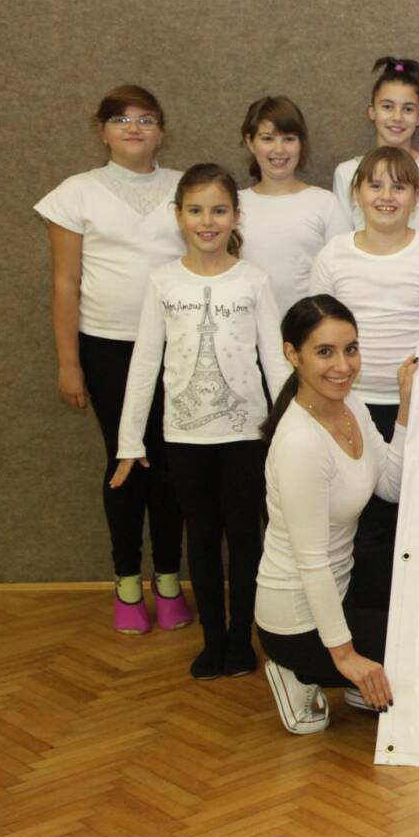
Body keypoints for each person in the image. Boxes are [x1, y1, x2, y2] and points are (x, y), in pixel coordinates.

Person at [112, 165, 288, 679]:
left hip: (246, 436)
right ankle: (213, 639)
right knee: (202, 539)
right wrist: (129, 441)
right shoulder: (163, 281)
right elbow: (145, 362)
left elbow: (275, 360)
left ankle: (241, 638)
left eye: (218, 210)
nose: (207, 221)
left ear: (235, 216)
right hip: (185, 438)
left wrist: (289, 427)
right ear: (178, 216)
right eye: (195, 210)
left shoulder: (253, 280)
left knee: (246, 539)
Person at [34, 84, 189, 634]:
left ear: (161, 131)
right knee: (126, 459)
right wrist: (68, 363)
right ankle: (126, 581)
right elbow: (64, 283)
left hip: (178, 347)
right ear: (101, 130)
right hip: (107, 347)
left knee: (169, 465)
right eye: (121, 119)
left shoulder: (184, 188)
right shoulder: (75, 193)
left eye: (146, 119)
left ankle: (167, 578)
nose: (134, 128)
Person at [310, 146, 419, 606]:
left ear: (416, 195)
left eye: (399, 186)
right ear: (356, 193)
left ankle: (411, 624)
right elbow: (316, 336)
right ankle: (363, 624)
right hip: (349, 408)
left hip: (417, 410)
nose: (386, 196)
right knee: (362, 524)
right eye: (375, 185)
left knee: (415, 522)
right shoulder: (334, 255)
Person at [255, 296, 417, 734]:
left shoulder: (352, 407)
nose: (343, 366)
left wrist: (405, 407)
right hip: (297, 620)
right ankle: (297, 671)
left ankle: (363, 682)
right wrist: (347, 657)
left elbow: (391, 486)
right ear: (293, 354)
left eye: (351, 349)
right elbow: (311, 562)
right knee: (418, 647)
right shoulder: (300, 444)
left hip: (341, 590)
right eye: (325, 352)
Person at [236, 95, 352, 318]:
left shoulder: (324, 203)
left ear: (301, 144)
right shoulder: (235, 205)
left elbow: (344, 274)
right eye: (267, 139)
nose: (279, 150)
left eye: (289, 139)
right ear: (250, 142)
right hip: (247, 328)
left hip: (309, 329)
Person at [331, 57, 419, 236]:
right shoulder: (347, 172)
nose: (397, 117)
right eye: (388, 107)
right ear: (372, 111)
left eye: (408, 109)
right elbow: (341, 241)